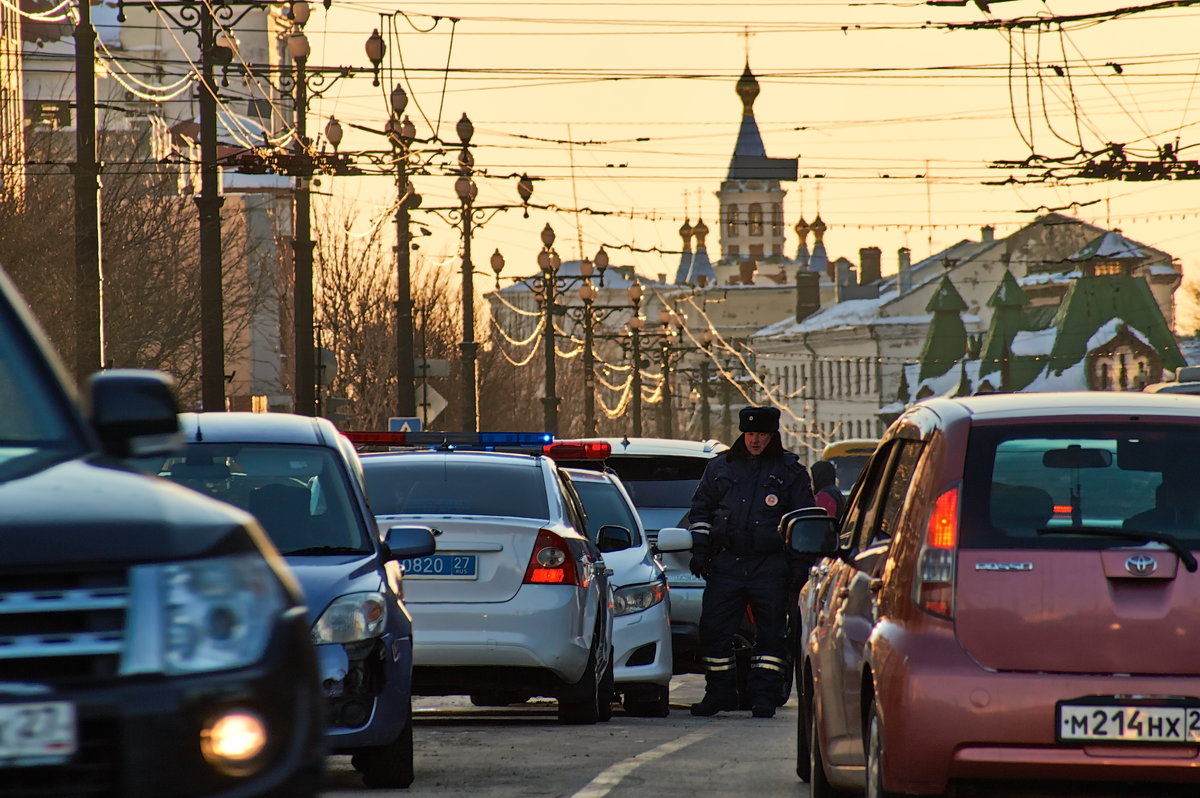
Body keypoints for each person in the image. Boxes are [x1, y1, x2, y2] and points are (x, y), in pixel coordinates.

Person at [687, 406, 815, 718]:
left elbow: (804, 520)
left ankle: (764, 696)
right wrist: (701, 549)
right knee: (714, 629)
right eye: (750, 433)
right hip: (728, 561)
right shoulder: (721, 468)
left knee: (771, 634)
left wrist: (799, 566)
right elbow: (701, 510)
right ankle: (720, 693)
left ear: (773, 436)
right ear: (742, 434)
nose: (755, 440)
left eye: (762, 434)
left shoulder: (790, 472)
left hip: (770, 565)